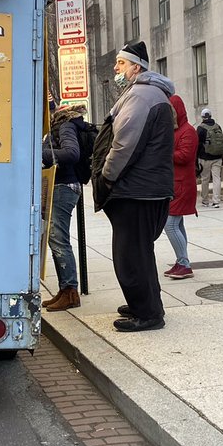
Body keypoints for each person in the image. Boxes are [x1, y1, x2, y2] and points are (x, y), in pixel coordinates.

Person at [93, 40, 175, 332]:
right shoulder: (149, 94)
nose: (116, 68)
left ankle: (148, 313)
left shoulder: (141, 96)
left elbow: (124, 143)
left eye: (120, 62)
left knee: (130, 255)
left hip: (137, 190)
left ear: (136, 66)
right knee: (139, 251)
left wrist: (106, 177)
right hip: (146, 188)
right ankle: (147, 303)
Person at [42, 103, 87, 311]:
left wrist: (42, 154)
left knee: (58, 239)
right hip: (62, 186)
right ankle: (65, 289)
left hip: (63, 186)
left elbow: (71, 153)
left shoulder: (65, 125)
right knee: (56, 239)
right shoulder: (65, 125)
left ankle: (70, 292)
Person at [163, 95, 198, 280]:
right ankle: (182, 261)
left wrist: (163, 151)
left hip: (182, 184)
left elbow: (184, 156)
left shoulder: (188, 131)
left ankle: (183, 263)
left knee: (170, 224)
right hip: (173, 183)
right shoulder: (173, 131)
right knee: (177, 224)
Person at [195, 108, 223, 207]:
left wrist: (195, 158)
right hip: (218, 157)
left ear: (202, 117)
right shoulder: (218, 126)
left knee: (205, 179)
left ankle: (205, 200)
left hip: (204, 157)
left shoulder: (200, 128)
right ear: (211, 116)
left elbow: (197, 144)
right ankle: (216, 201)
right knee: (217, 178)